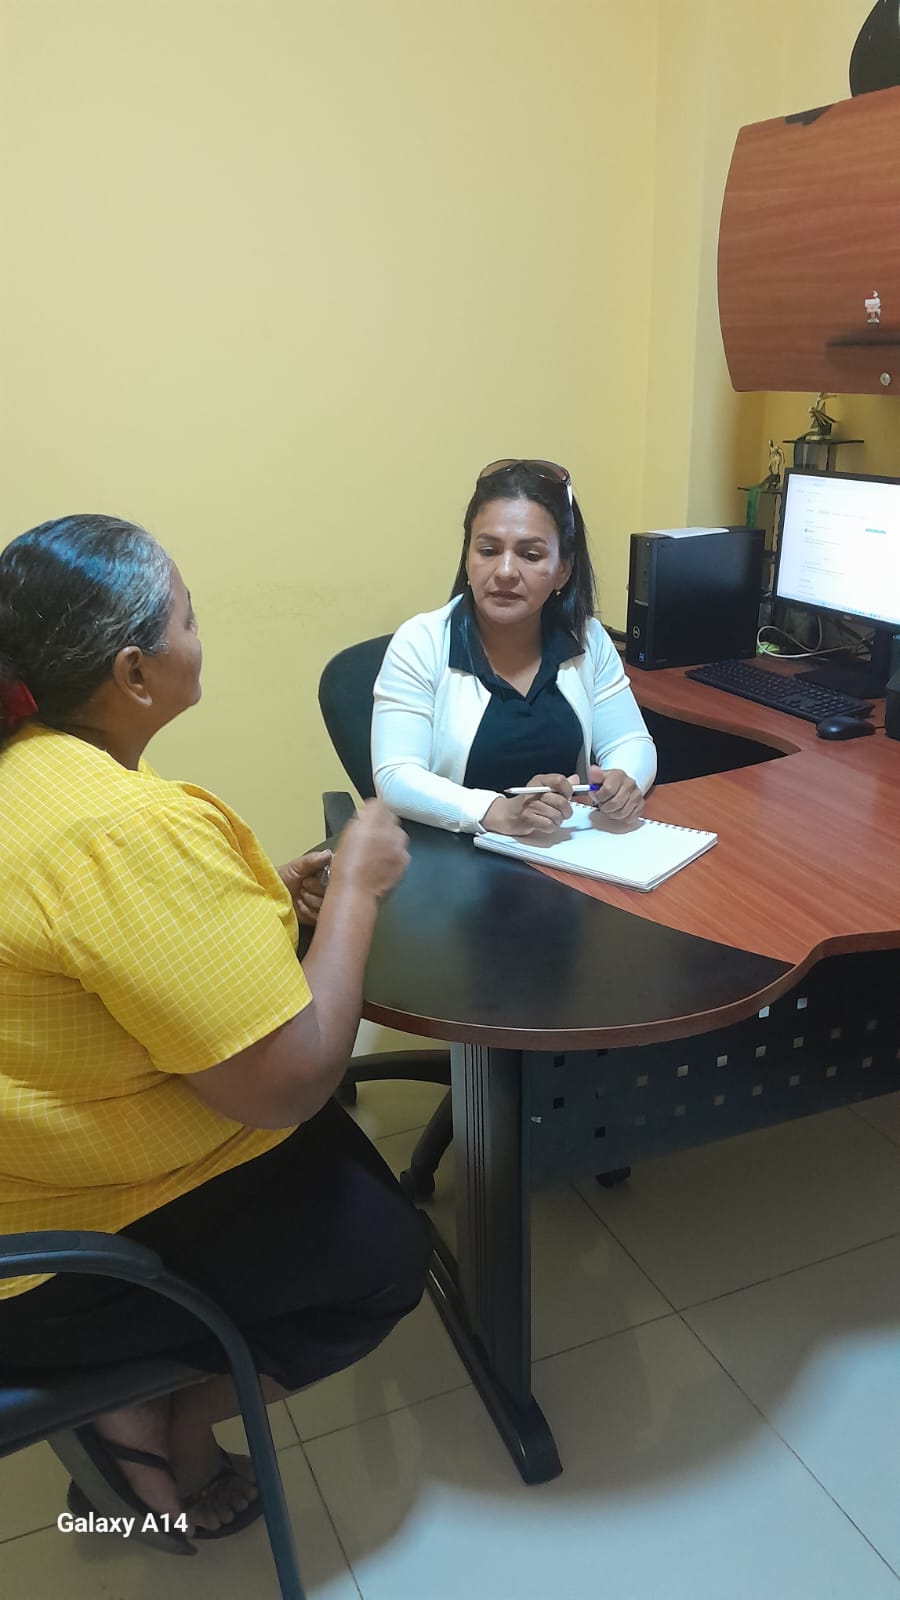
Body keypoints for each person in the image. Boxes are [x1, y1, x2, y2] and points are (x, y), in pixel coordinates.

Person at [0, 515, 428, 1545]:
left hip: (37, 1161)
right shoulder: (118, 826)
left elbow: (90, 940)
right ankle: (163, 1418)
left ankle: (142, 1394)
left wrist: (254, 894)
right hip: (48, 1258)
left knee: (334, 1155)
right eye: (188, 617)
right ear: (134, 672)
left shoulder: (38, 774)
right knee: (386, 1254)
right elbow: (290, 1082)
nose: (202, 632)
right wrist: (359, 884)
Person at [372, 458, 656, 835]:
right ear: (468, 557)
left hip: (563, 849)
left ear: (563, 569)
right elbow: (395, 777)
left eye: (530, 555)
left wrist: (622, 781)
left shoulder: (587, 639)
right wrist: (497, 812)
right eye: (488, 550)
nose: (505, 571)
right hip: (453, 851)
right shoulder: (421, 643)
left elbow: (630, 739)